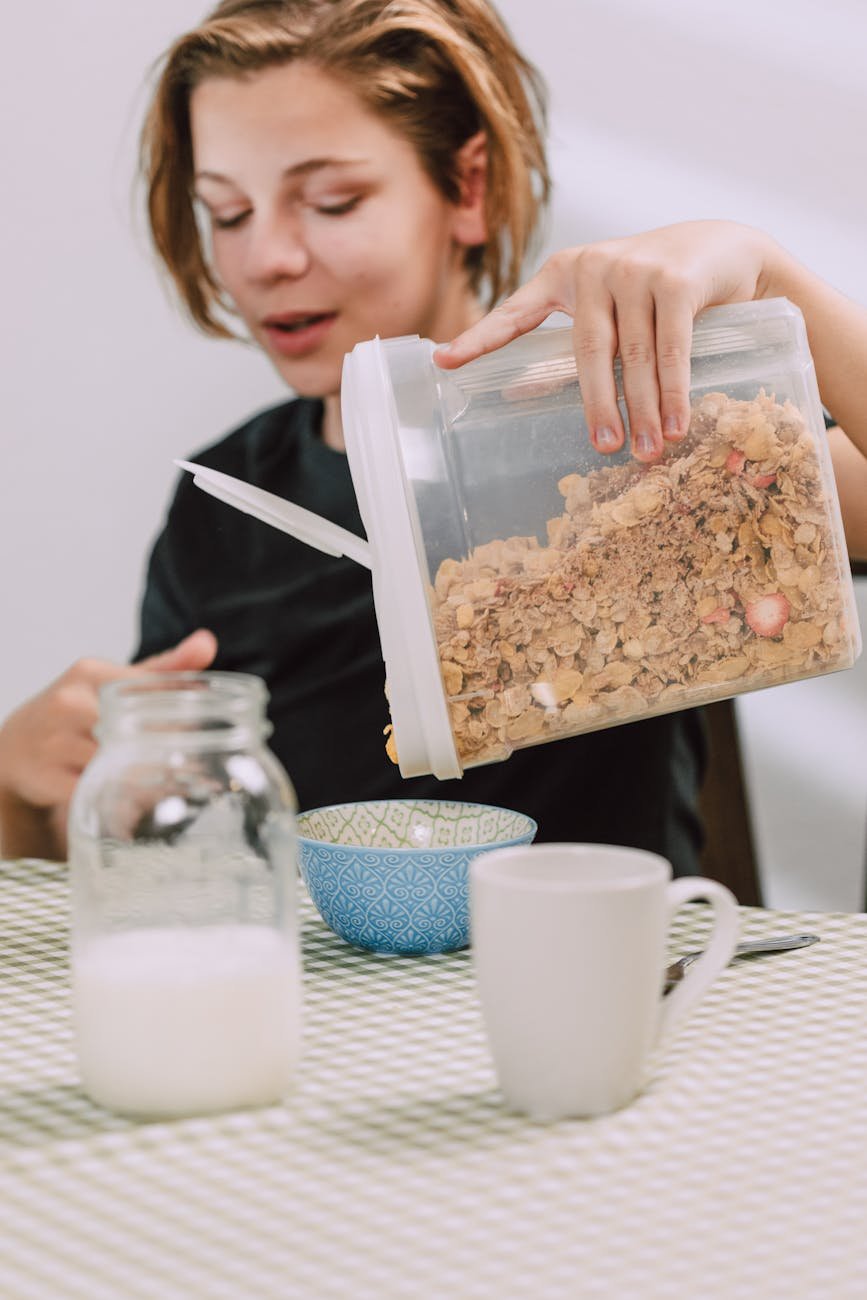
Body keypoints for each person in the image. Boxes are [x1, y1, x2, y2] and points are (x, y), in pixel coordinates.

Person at [1, 0, 865, 867]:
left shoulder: (620, 426)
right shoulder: (228, 502)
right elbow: (134, 847)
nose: (264, 258)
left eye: (331, 201)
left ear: (468, 187)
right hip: (340, 994)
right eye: (226, 214)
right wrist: (22, 788)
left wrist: (767, 267)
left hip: (611, 978)